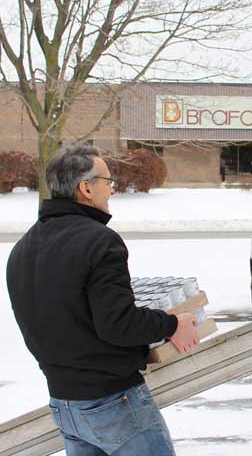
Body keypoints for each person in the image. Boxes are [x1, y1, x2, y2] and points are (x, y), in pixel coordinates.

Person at [6, 145, 199, 455]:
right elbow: (118, 324)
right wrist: (173, 323)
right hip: (113, 403)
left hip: (64, 406)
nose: (112, 189)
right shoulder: (100, 241)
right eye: (108, 181)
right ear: (85, 188)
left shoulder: (22, 249)